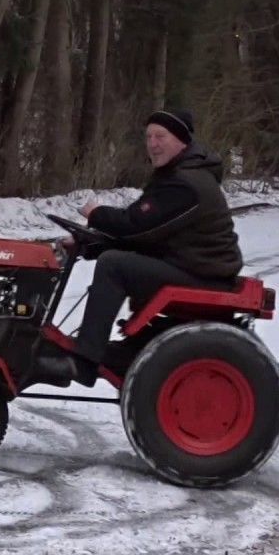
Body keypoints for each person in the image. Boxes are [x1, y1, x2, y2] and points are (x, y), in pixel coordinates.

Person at [35, 109, 245, 387]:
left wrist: (96, 214)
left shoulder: (186, 183)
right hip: (191, 263)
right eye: (148, 137)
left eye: (161, 136)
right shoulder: (176, 175)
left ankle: (84, 360)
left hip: (203, 272)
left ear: (181, 140)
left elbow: (136, 225)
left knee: (114, 265)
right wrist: (90, 242)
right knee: (115, 258)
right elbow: (149, 234)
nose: (153, 144)